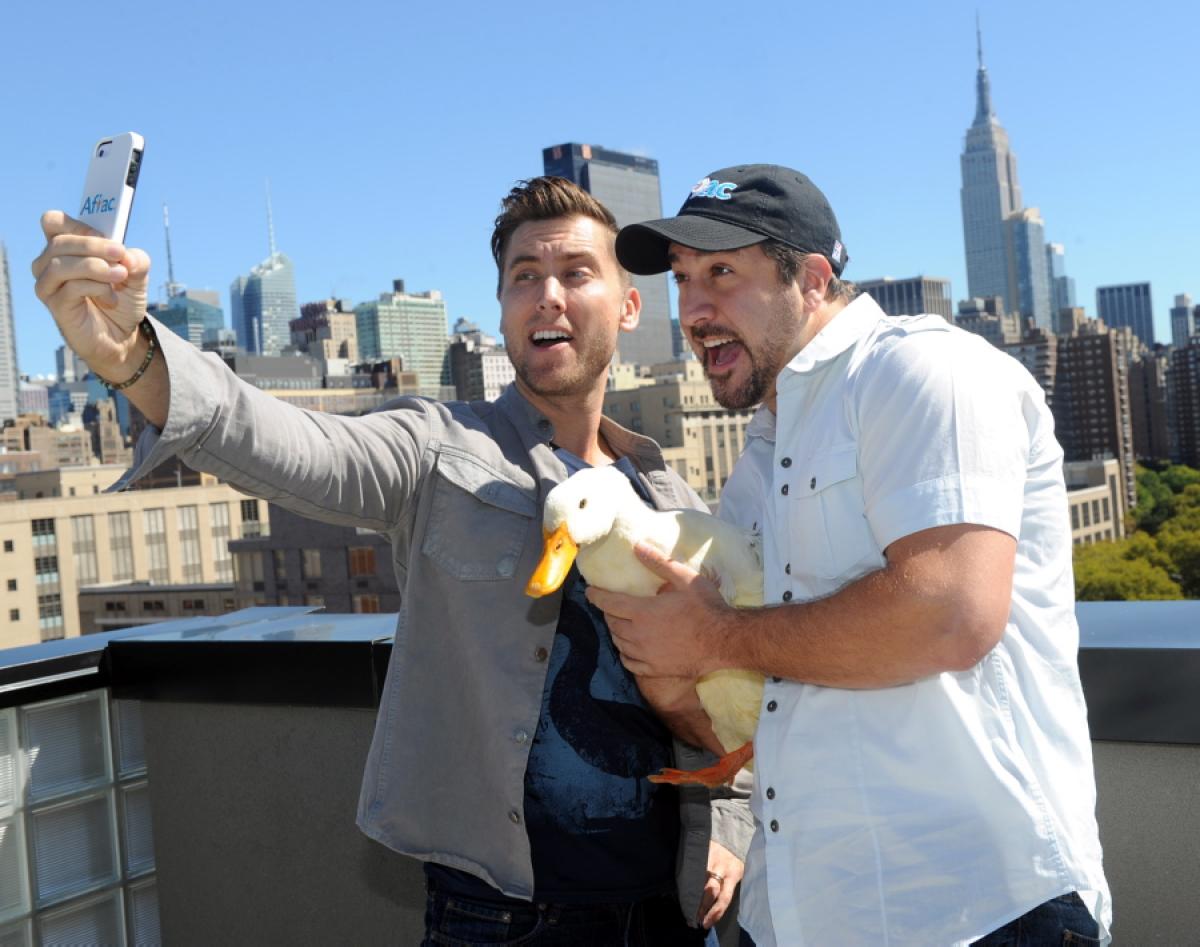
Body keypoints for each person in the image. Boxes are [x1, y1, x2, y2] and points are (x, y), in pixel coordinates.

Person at [32, 176, 753, 945]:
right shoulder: (439, 450)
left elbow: (735, 696)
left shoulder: (671, 500)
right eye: (524, 276)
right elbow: (292, 443)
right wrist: (134, 359)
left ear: (629, 306)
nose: (547, 294)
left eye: (576, 272)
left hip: (668, 912)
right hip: (498, 918)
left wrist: (730, 829)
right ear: (503, 308)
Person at [586, 164, 1112, 945]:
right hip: (796, 916)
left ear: (812, 279)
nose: (692, 310)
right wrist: (666, 658)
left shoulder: (923, 372)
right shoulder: (756, 464)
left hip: (979, 912)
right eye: (683, 279)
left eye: (722, 273)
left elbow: (950, 613)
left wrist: (713, 635)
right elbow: (741, 718)